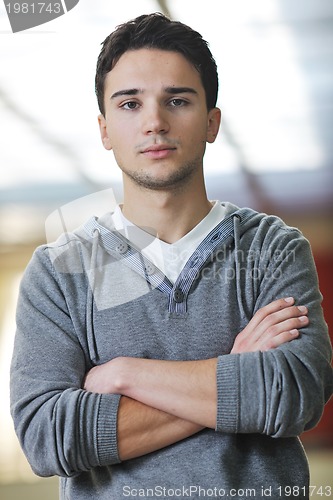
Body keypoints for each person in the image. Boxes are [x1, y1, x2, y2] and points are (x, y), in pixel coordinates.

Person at [10, 12, 333, 500]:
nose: (154, 122)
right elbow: (48, 437)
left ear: (211, 122)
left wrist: (124, 376)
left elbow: (292, 395)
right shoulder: (58, 273)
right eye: (130, 104)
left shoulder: (273, 248)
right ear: (104, 129)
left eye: (176, 100)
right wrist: (234, 368)